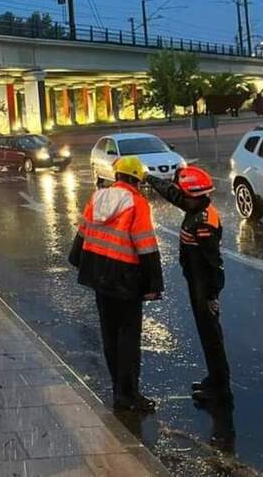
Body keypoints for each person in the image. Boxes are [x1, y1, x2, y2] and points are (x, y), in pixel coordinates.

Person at [69, 156, 163, 412]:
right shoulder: (136, 203)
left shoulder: (97, 197)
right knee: (128, 338)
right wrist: (154, 282)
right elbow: (145, 244)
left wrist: (77, 258)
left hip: (98, 274)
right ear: (135, 179)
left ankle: (117, 390)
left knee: (109, 335)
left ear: (117, 176)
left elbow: (83, 230)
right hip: (125, 277)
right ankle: (129, 394)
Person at [147, 165, 232, 402]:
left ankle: (220, 386)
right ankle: (214, 378)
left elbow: (213, 263)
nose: (180, 197)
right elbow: (173, 194)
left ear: (194, 196)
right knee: (206, 332)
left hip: (204, 283)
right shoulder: (196, 206)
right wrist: (149, 178)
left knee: (210, 334)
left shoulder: (204, 222)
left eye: (184, 194)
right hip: (196, 279)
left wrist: (212, 295)